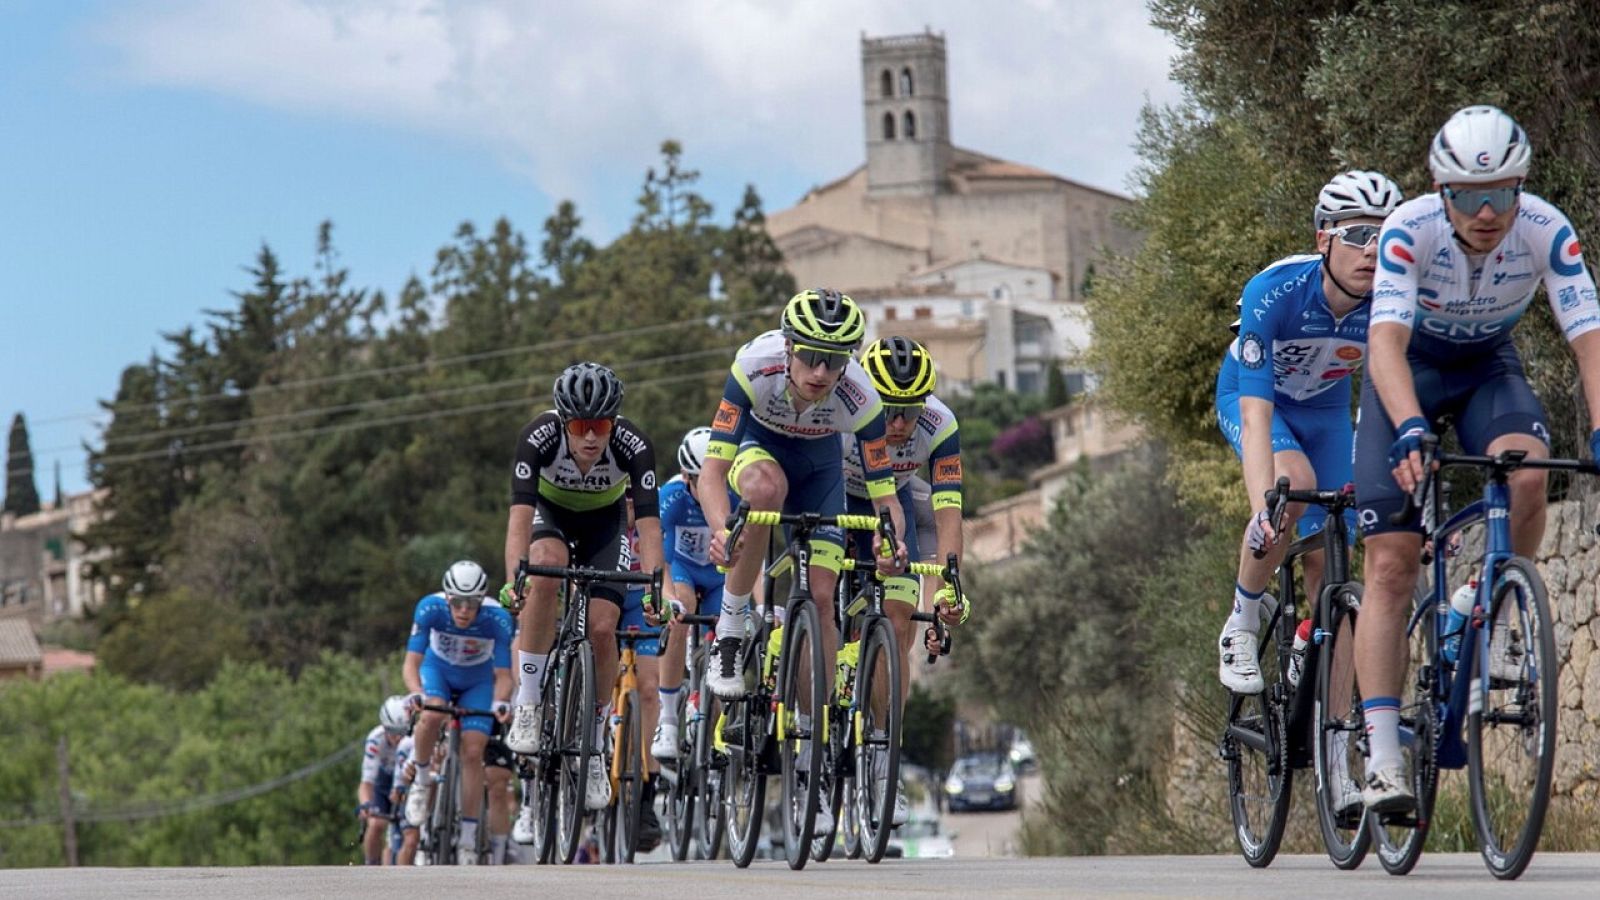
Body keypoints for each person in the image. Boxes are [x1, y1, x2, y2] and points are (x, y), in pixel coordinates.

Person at [1355, 105, 1600, 813]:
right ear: (1442, 191)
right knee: (1393, 561)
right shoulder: (1410, 229)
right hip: (1410, 370)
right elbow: (1385, 347)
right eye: (1467, 195)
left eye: (1503, 193)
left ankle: (1493, 607)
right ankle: (1382, 753)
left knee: (1527, 472)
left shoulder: (1547, 230)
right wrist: (1407, 428)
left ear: (1522, 187)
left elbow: (1589, 339)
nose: (1487, 212)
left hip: (1488, 365)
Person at [1215, 169, 1404, 698]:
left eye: (1386, 236)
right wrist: (1262, 510)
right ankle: (1243, 621)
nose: (1374, 250)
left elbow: (1388, 405)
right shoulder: (1275, 292)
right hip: (1257, 402)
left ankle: (1334, 741)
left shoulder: (1391, 305)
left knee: (1337, 548)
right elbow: (1255, 415)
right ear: (1324, 238)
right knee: (1290, 486)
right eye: (1359, 235)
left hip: (1325, 416)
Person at [698, 289, 908, 703]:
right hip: (758, 449)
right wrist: (723, 531)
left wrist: (891, 540)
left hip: (819, 469)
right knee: (765, 489)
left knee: (823, 596)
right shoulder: (753, 367)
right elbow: (712, 473)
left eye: (835, 360)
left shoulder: (862, 399)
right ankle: (731, 628)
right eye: (811, 356)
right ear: (789, 346)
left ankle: (816, 729)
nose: (821, 372)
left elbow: (887, 501)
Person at [502, 362, 665, 818]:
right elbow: (519, 519)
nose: (591, 437)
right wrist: (514, 578)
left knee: (602, 625)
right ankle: (530, 702)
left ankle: (595, 744)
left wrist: (654, 587)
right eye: (580, 426)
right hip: (550, 516)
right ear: (563, 422)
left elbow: (650, 527)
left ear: (613, 423)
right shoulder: (538, 438)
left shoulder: (634, 446)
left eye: (601, 426)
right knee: (543, 570)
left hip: (605, 526)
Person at [841, 336, 971, 826]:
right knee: (820, 590)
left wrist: (947, 590)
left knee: (897, 626)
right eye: (888, 412)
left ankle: (882, 762)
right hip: (838, 497)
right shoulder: (844, 409)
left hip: (894, 507)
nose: (896, 426)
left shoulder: (940, 424)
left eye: (908, 413)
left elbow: (948, 513)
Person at [396, 560, 515, 864]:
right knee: (432, 714)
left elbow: (504, 675)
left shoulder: (497, 618)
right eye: (458, 603)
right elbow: (412, 663)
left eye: (471, 603)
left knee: (474, 752)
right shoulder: (429, 609)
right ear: (447, 598)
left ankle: (466, 840)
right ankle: (422, 781)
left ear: (481, 600)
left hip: (477, 680)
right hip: (439, 673)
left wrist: (501, 702)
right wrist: (416, 693)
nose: (464, 610)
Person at [650, 427, 722, 765]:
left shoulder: (732, 493)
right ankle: (667, 720)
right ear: (686, 475)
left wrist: (761, 604)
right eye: (700, 480)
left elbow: (752, 554)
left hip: (718, 574)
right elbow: (658, 559)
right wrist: (668, 598)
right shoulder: (672, 496)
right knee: (681, 613)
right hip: (681, 568)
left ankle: (715, 724)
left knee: (728, 635)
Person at [358, 695, 411, 865]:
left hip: (407, 783)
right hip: (382, 784)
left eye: (402, 733)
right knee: (376, 824)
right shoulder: (376, 739)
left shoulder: (412, 738)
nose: (398, 739)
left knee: (405, 832)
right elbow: (366, 783)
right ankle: (371, 865)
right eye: (393, 732)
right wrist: (365, 804)